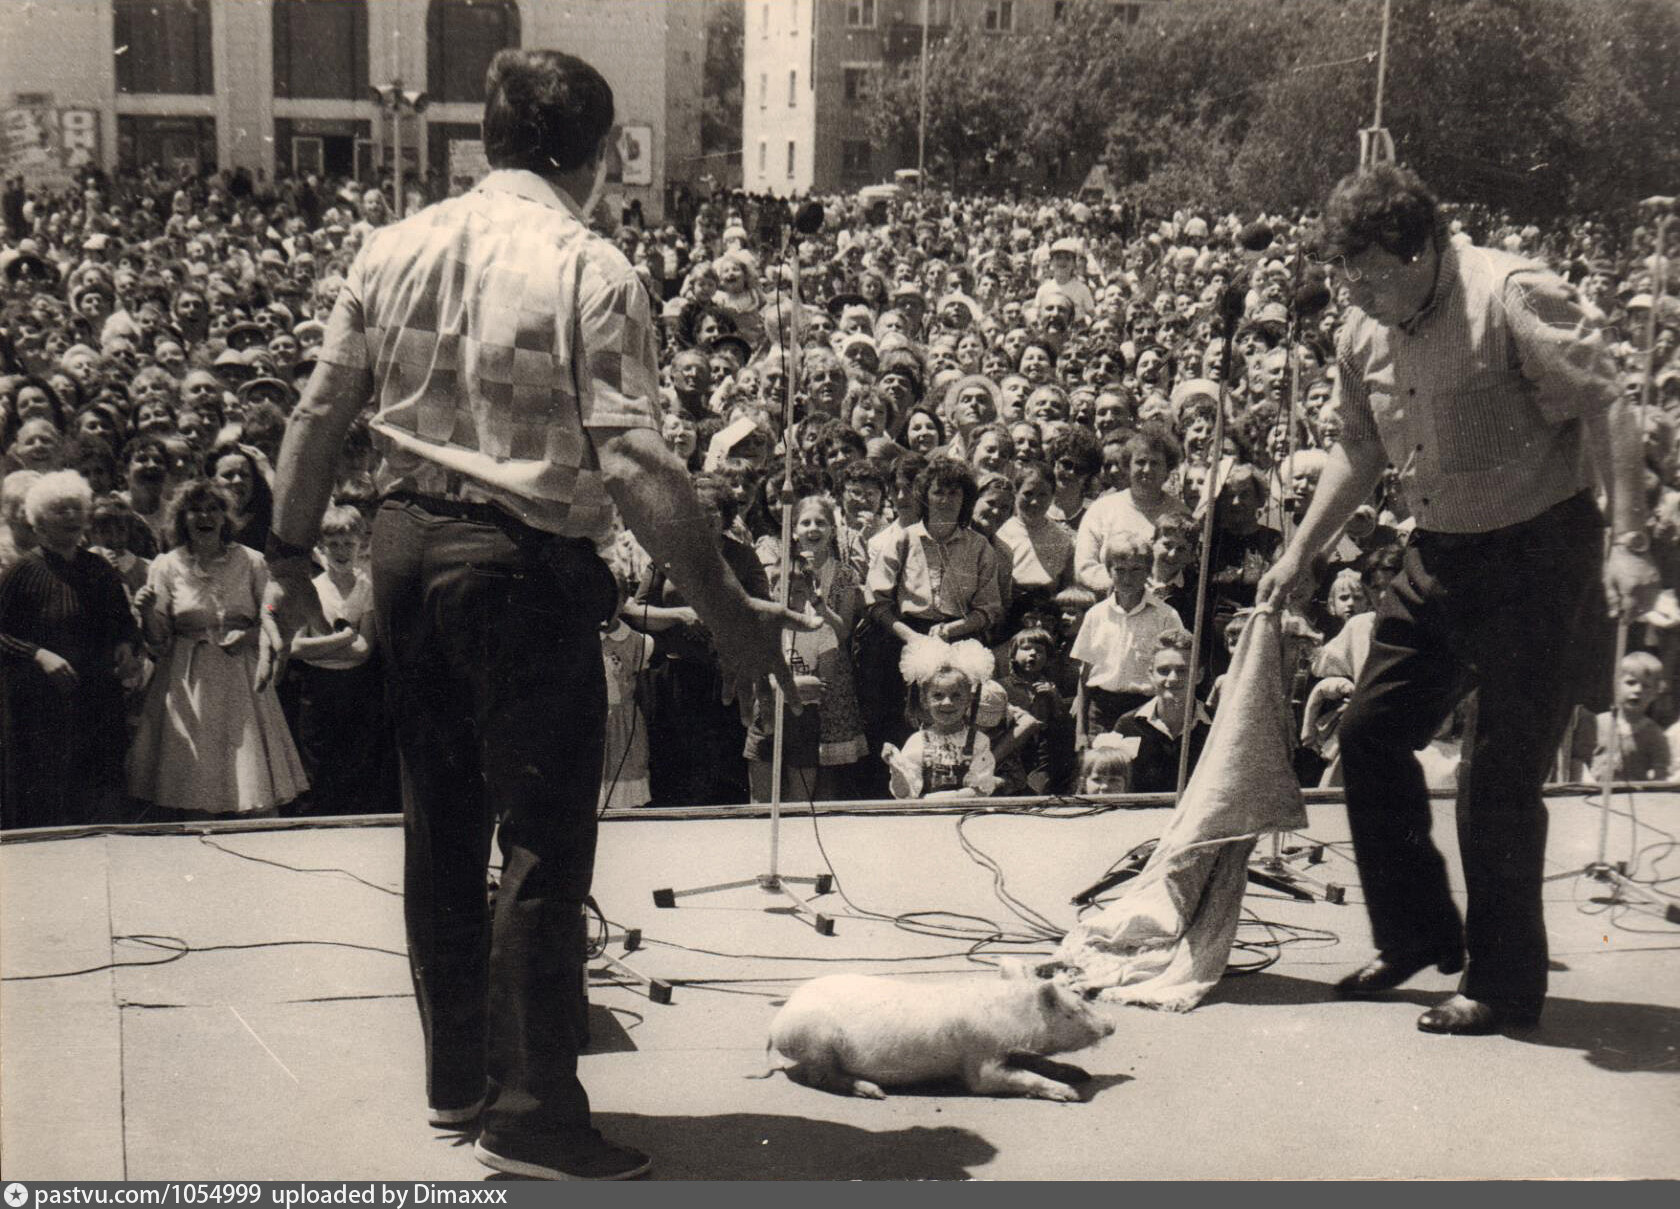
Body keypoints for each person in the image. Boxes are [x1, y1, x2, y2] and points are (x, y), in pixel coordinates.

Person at [262, 49, 799, 1182]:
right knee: (543, 848)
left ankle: (457, 1082)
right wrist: (729, 612)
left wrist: (289, 557)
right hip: (521, 568)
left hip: (404, 549)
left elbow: (316, 412)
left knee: (440, 826)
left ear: (489, 140)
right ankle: (532, 1117)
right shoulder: (589, 265)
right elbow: (636, 459)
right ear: (596, 154)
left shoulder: (392, 245)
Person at [1256, 163, 1659, 1036]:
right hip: (1439, 553)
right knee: (1368, 732)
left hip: (1540, 557)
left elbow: (1607, 406)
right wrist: (1299, 551)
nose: (1354, 293)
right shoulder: (1363, 329)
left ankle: (1502, 985)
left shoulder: (1513, 296)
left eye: (1370, 274)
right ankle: (1415, 933)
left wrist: (1630, 544)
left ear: (1423, 250)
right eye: (1345, 274)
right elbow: (1359, 450)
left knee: (1496, 780)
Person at [127, 479, 307, 819]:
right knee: (195, 788)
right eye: (195, 510)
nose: (204, 517)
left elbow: (277, 620)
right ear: (182, 519)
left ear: (225, 518)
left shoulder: (252, 562)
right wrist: (147, 612)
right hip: (187, 681)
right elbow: (158, 640)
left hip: (241, 678)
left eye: (213, 509)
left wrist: (250, 635)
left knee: (251, 782)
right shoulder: (166, 565)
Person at [0, 470, 141, 828]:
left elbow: (123, 622)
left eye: (76, 507)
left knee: (98, 795)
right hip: (41, 707)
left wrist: (126, 645)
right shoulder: (21, 571)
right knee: (47, 802)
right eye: (60, 509)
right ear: (38, 521)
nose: (71, 516)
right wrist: (38, 654)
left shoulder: (99, 569)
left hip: (97, 701)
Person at [881, 635, 1000, 800]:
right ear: (924, 700)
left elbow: (981, 790)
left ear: (969, 700)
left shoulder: (979, 742)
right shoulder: (917, 742)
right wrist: (896, 769)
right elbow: (905, 795)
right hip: (928, 814)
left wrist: (940, 799)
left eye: (956, 695)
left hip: (966, 811)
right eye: (938, 695)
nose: (947, 702)